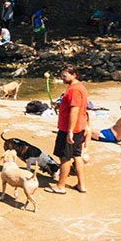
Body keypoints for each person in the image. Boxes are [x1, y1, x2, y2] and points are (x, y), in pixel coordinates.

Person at [47, 66, 89, 194]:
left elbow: (74, 110)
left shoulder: (74, 90)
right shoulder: (79, 87)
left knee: (64, 157)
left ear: (74, 75)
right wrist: (60, 105)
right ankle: (81, 185)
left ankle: (61, 186)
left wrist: (70, 131)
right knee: (77, 155)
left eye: (64, 76)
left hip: (70, 128)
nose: (62, 78)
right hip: (79, 127)